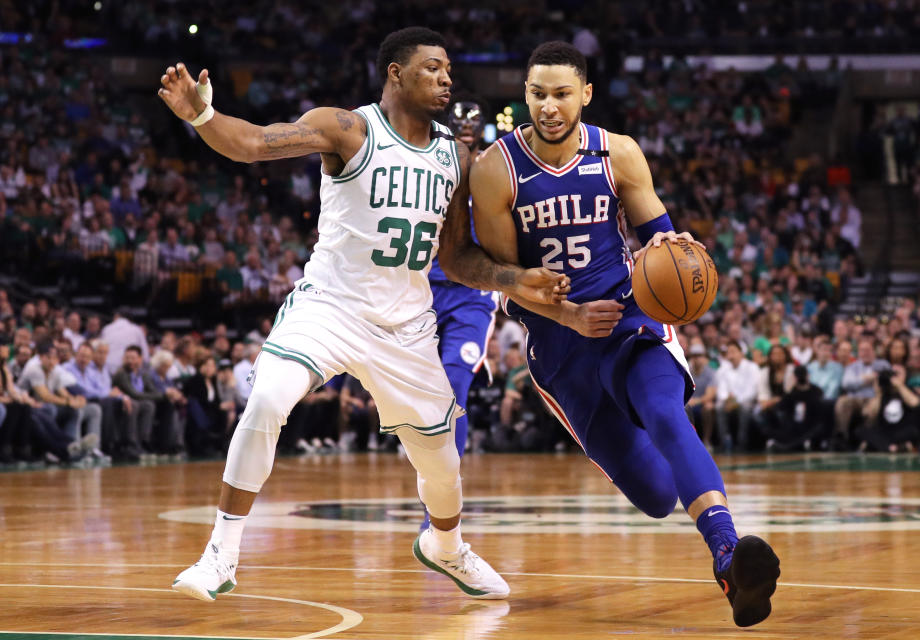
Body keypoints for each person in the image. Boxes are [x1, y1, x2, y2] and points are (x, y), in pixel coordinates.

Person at [158, 27, 566, 602]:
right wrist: (203, 116)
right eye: (431, 67)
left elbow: (456, 258)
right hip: (331, 306)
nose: (446, 77)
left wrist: (516, 281)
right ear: (396, 73)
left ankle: (446, 548)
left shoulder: (456, 154)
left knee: (443, 466)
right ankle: (221, 553)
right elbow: (251, 143)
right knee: (269, 398)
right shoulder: (345, 127)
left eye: (449, 68)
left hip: (407, 327)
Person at [464, 42, 779, 626]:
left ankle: (728, 555)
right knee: (657, 497)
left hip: (629, 314)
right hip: (557, 345)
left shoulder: (619, 153)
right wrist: (569, 317)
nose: (549, 106)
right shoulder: (495, 169)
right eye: (538, 94)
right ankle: (700, 522)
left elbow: (657, 232)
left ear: (585, 93)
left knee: (665, 412)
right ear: (525, 96)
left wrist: (673, 249)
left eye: (561, 93)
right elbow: (511, 285)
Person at [418, 96, 499, 530]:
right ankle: (432, 485)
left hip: (473, 293)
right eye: (459, 124)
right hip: (424, 291)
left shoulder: (496, 168)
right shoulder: (428, 164)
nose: (466, 129)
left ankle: (442, 502)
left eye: (473, 124)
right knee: (426, 401)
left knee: (453, 388)